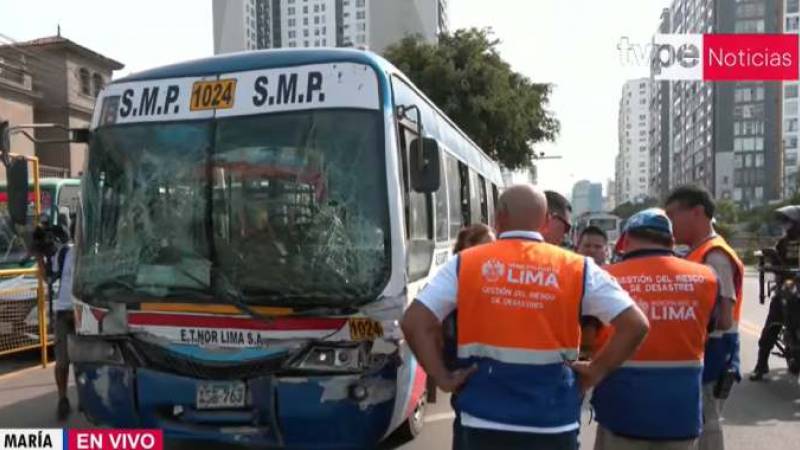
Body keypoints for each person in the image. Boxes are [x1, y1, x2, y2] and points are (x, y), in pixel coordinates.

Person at [401, 184, 649, 450]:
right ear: (546, 222)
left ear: (499, 217)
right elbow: (635, 325)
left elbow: (414, 321)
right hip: (554, 423)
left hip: (481, 421)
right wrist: (594, 372)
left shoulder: (466, 263)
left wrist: (442, 378)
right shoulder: (578, 268)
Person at [591, 208, 724, 450]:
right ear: (671, 241)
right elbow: (719, 324)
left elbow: (587, 338)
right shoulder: (707, 277)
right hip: (680, 415)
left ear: (626, 240)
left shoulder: (604, 278)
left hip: (620, 411)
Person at [665, 186, 742, 450]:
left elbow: (724, 318)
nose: (669, 223)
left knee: (708, 423)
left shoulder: (715, 255)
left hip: (715, 351)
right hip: (704, 350)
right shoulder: (695, 252)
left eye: (672, 215)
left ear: (697, 212)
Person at [444, 224, 496, 450]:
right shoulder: (453, 279)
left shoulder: (497, 278)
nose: (493, 251)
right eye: (486, 246)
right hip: (466, 374)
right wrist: (444, 374)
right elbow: (428, 326)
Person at [32, 219, 75, 420]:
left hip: (85, 313)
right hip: (64, 313)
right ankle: (62, 399)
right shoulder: (64, 253)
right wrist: (39, 258)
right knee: (62, 362)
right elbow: (48, 278)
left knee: (85, 360)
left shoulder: (89, 253)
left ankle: (87, 397)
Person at [751, 205, 800, 380]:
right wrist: (772, 258)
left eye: (790, 221)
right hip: (787, 287)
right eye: (785, 222)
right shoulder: (782, 243)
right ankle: (761, 364)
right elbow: (775, 263)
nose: (786, 225)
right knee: (773, 322)